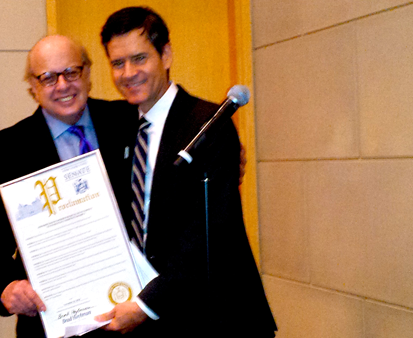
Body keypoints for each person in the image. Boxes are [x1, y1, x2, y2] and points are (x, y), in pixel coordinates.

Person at [94, 7, 277, 337]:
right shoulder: (121, 127)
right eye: (117, 63)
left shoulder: (208, 126)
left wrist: (146, 304)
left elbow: (209, 232)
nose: (128, 72)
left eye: (139, 58)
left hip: (209, 316)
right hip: (151, 318)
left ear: (166, 55)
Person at [0, 35, 134, 337]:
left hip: (134, 317)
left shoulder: (129, 122)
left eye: (72, 72)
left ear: (88, 73)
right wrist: (7, 287)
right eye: (47, 78)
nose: (62, 86)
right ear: (32, 87)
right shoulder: (6, 151)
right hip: (54, 322)